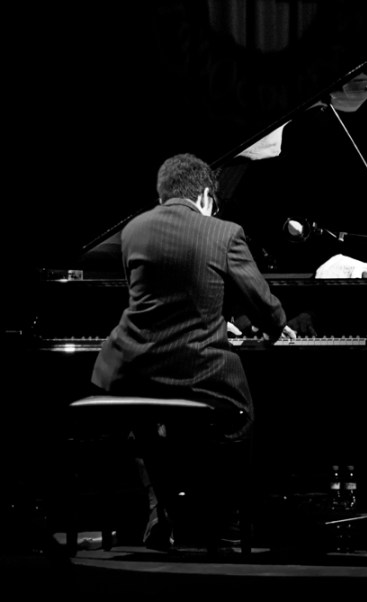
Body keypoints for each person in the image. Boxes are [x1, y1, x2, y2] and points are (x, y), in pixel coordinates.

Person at [91, 152, 296, 550]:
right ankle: (221, 519)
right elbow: (261, 302)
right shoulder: (224, 232)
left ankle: (164, 509)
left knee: (146, 423)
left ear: (162, 194)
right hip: (195, 367)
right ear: (204, 195)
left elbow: (152, 297)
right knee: (240, 417)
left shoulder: (132, 230)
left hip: (130, 366)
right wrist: (276, 323)